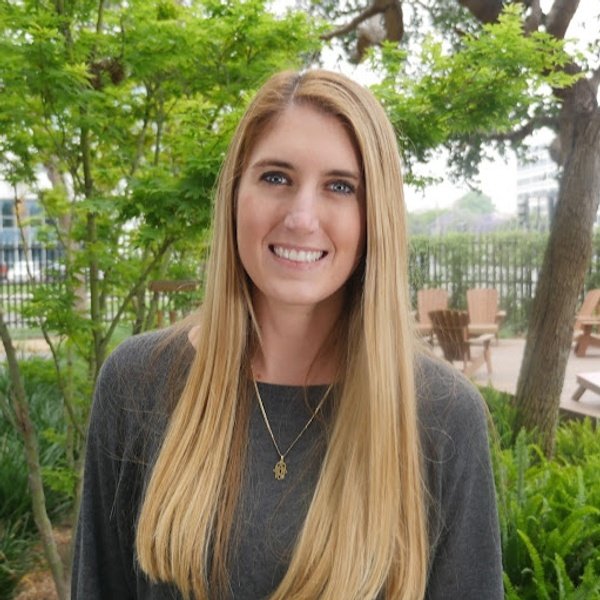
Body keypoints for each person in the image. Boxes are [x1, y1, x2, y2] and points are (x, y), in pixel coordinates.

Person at [72, 69, 503, 599]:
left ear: (376, 219)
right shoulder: (139, 383)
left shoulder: (440, 414)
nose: (302, 217)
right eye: (276, 177)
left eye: (340, 187)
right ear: (235, 194)